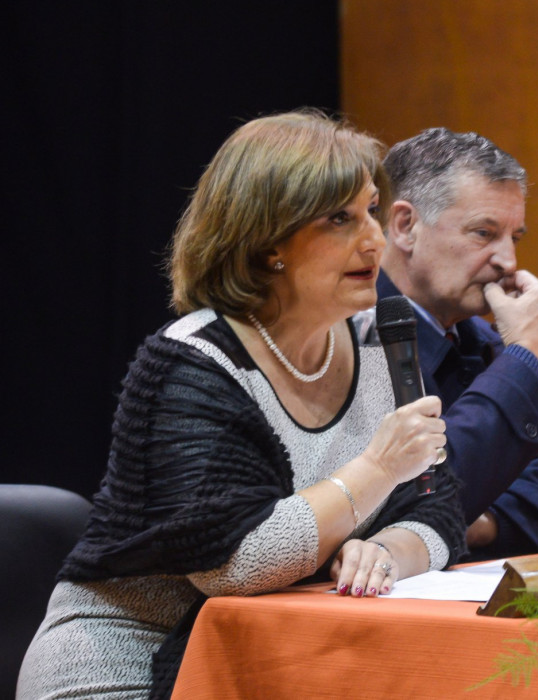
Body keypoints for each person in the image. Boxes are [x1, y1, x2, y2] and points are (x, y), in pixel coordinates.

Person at [18, 111, 465, 699]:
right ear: (267, 242)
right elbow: (235, 564)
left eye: (371, 211)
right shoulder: (187, 366)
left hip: (277, 658)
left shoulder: (374, 340)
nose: (375, 240)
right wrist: (378, 470)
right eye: (340, 219)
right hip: (129, 663)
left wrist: (382, 553)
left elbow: (439, 511)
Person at [368, 128, 538, 560]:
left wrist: (480, 524)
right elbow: (413, 496)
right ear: (405, 226)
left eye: (514, 237)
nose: (508, 262)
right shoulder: (355, 334)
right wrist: (525, 357)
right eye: (484, 233)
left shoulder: (479, 338)